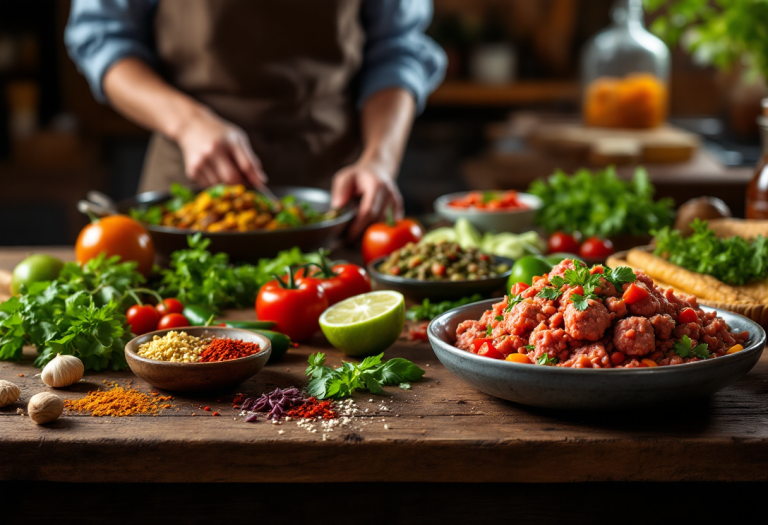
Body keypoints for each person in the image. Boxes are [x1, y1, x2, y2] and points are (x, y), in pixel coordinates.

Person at [65, 0, 446, 238]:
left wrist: (379, 159)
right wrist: (188, 123)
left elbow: (398, 50)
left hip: (335, 193)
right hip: (188, 189)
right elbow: (103, 39)